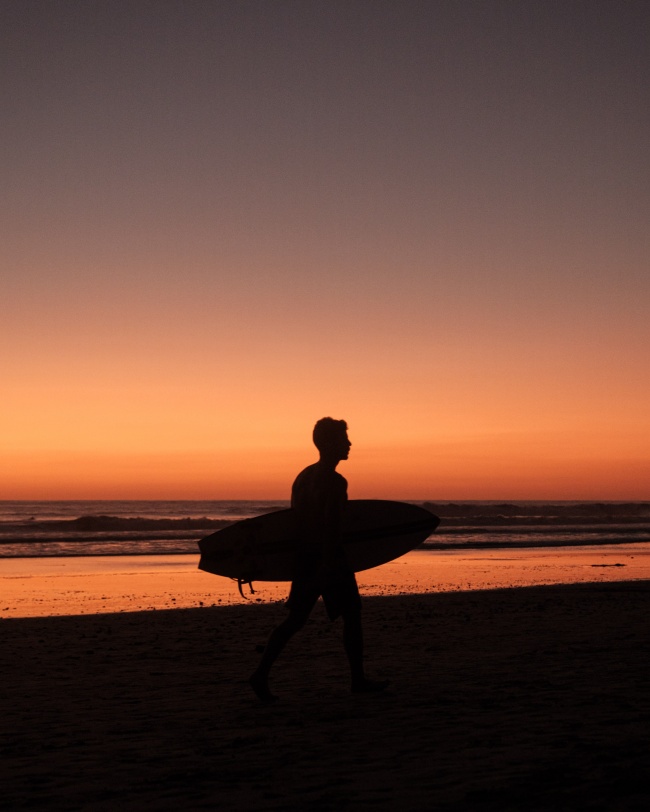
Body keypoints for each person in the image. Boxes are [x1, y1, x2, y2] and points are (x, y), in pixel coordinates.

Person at [249, 417, 388, 701]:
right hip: (329, 558)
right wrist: (329, 563)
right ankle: (358, 680)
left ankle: (260, 675)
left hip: (304, 557)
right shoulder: (334, 481)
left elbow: (297, 522)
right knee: (352, 615)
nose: (349, 444)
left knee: (295, 620)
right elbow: (331, 525)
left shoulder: (303, 477)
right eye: (343, 439)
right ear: (329, 443)